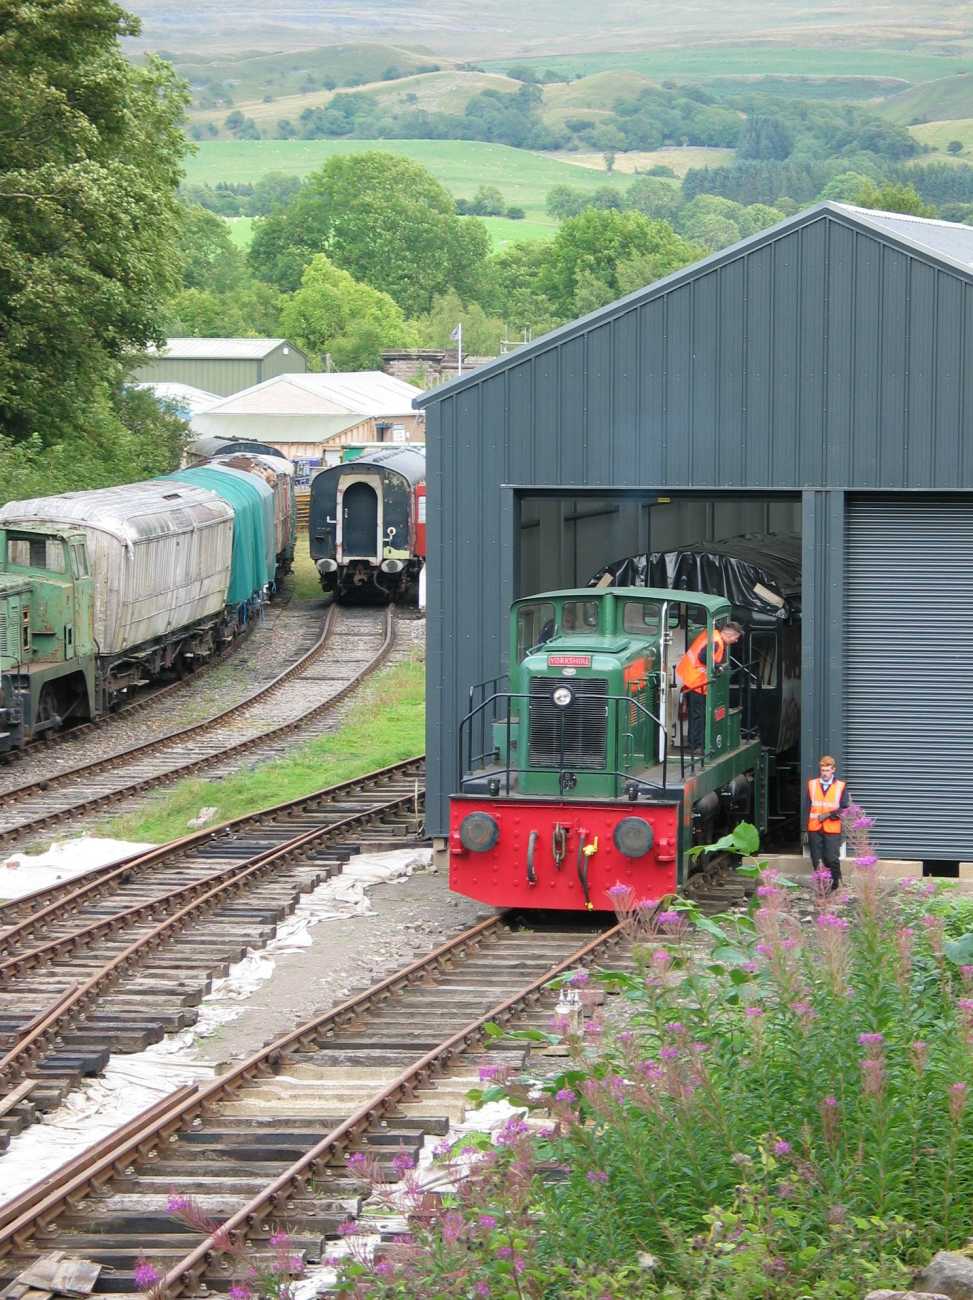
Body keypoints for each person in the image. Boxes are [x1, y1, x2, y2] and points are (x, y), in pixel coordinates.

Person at [676, 620, 743, 752]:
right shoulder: (717, 642)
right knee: (698, 715)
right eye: (736, 638)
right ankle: (697, 745)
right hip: (697, 681)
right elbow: (703, 657)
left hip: (692, 678)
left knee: (696, 714)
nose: (736, 641)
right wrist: (718, 667)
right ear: (729, 635)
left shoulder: (713, 635)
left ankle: (695, 743)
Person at [807, 755, 849, 892]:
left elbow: (845, 809)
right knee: (816, 860)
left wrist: (829, 814)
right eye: (822, 770)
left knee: (831, 859)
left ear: (833, 770)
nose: (824, 773)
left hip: (832, 828)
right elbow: (806, 807)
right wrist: (804, 830)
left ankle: (835, 883)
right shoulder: (812, 785)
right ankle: (823, 888)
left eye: (827, 770)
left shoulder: (841, 786)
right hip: (814, 828)